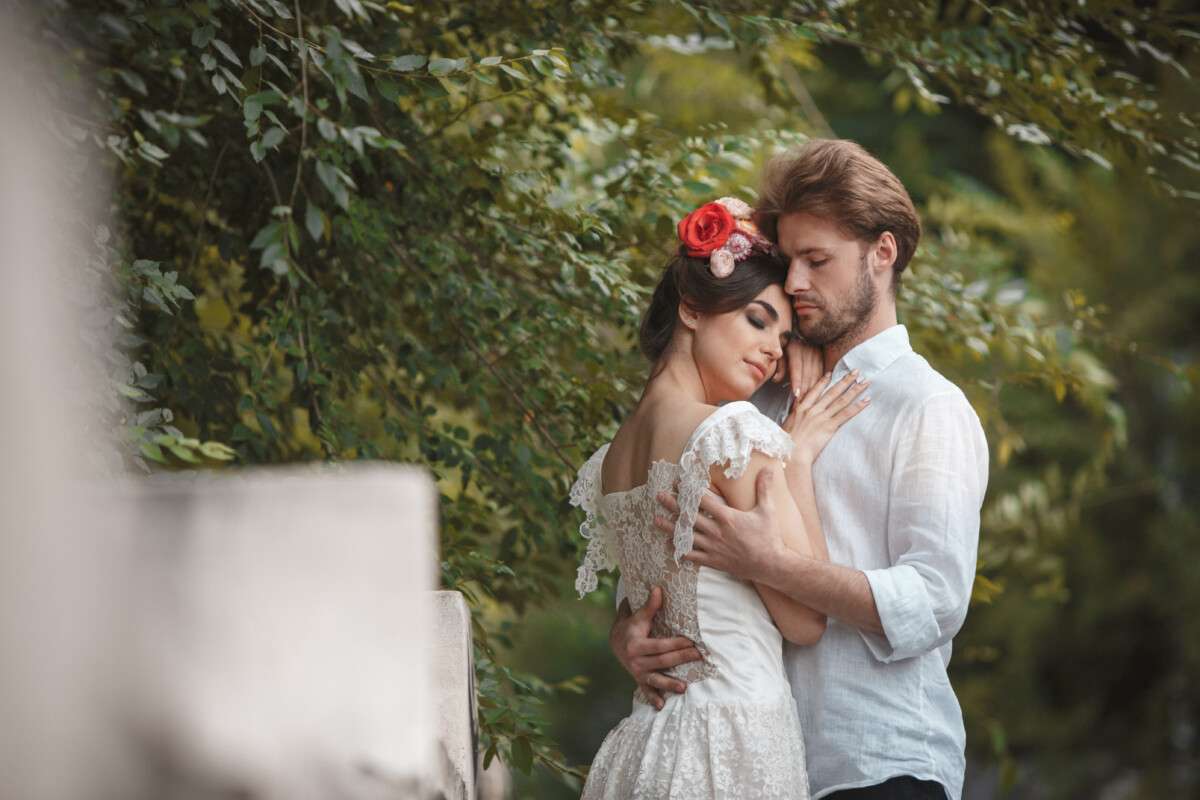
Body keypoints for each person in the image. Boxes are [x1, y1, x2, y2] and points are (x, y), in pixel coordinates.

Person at [611, 139, 990, 799]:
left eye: (818, 261)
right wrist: (630, 632)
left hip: (876, 764)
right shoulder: (750, 399)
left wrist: (775, 565)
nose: (795, 283)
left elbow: (934, 600)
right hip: (741, 764)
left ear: (883, 252)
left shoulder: (927, 407)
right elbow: (665, 551)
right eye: (789, 263)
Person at [570, 196, 869, 799]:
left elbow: (642, 610)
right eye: (758, 321)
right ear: (691, 308)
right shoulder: (732, 433)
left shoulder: (609, 461)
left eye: (784, 339)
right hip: (731, 738)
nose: (771, 353)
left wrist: (620, 635)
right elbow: (807, 620)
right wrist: (798, 458)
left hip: (644, 745)